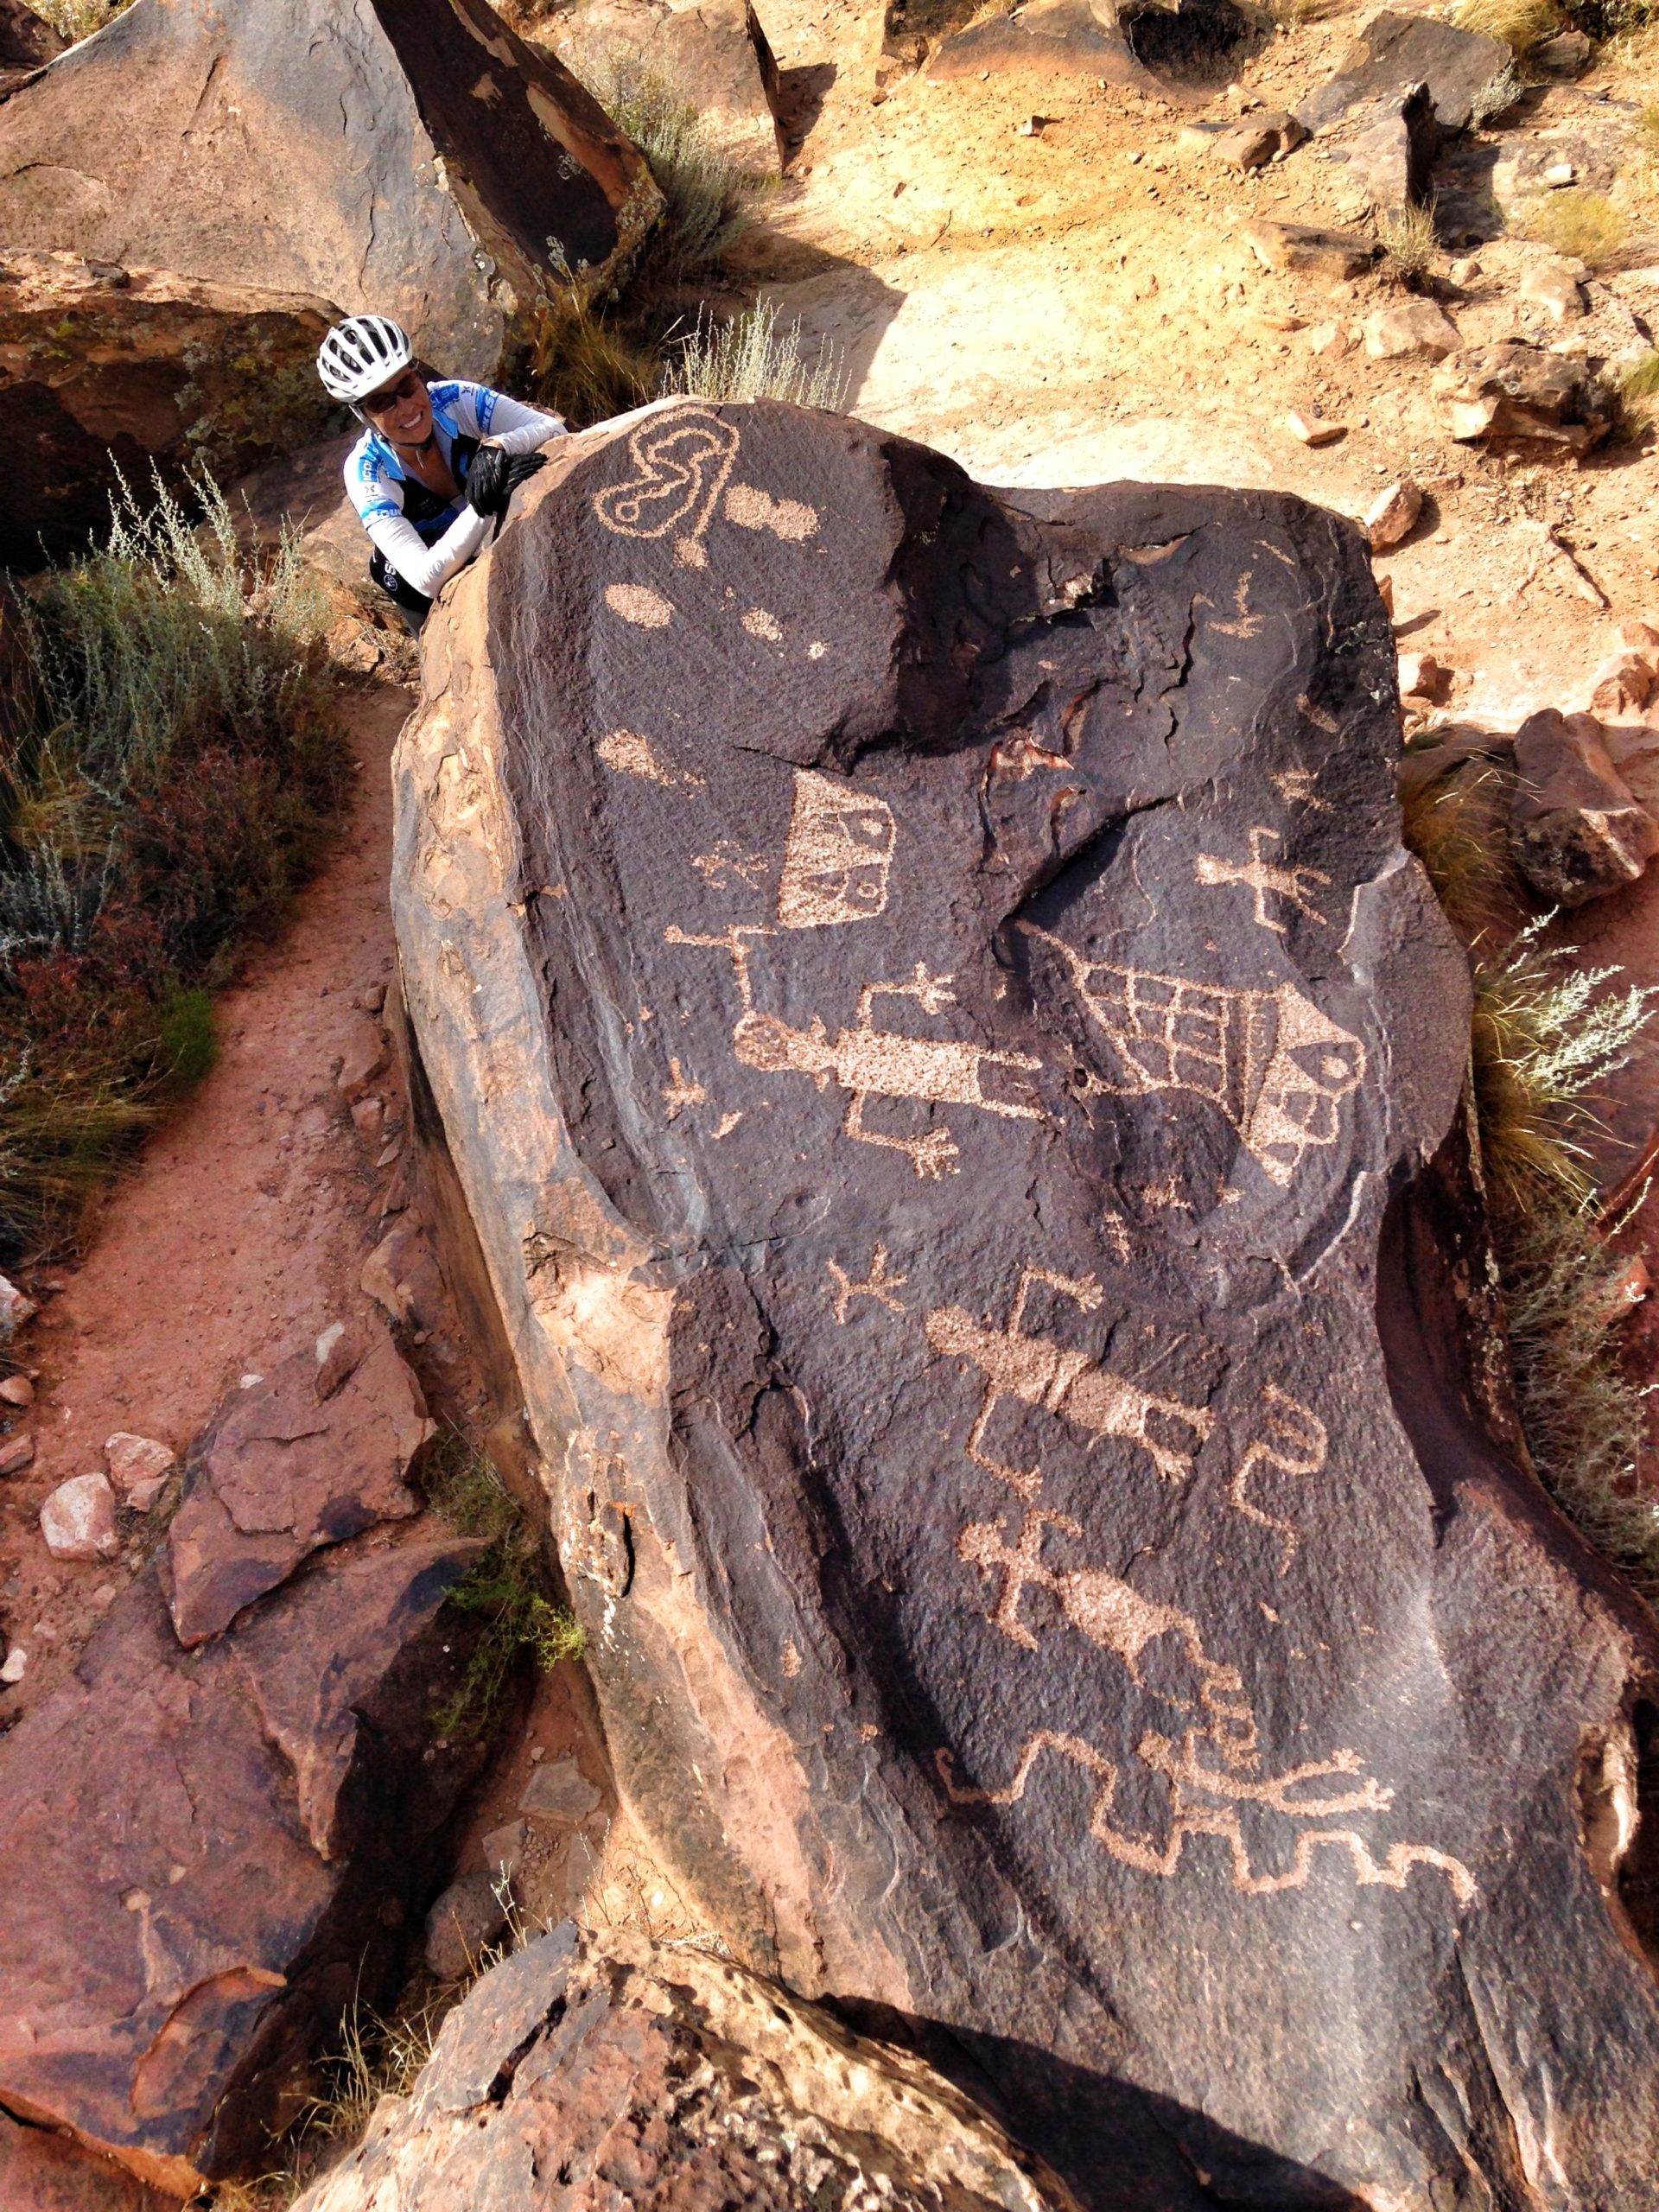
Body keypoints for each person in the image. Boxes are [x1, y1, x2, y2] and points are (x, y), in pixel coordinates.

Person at [317, 314, 567, 635]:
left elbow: (552, 429)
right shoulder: (367, 472)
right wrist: (483, 504)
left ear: (418, 376)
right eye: (382, 402)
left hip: (480, 536)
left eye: (407, 386)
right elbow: (427, 579)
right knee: (408, 590)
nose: (406, 408)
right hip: (426, 572)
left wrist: (497, 446)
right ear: (362, 414)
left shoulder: (456, 399)